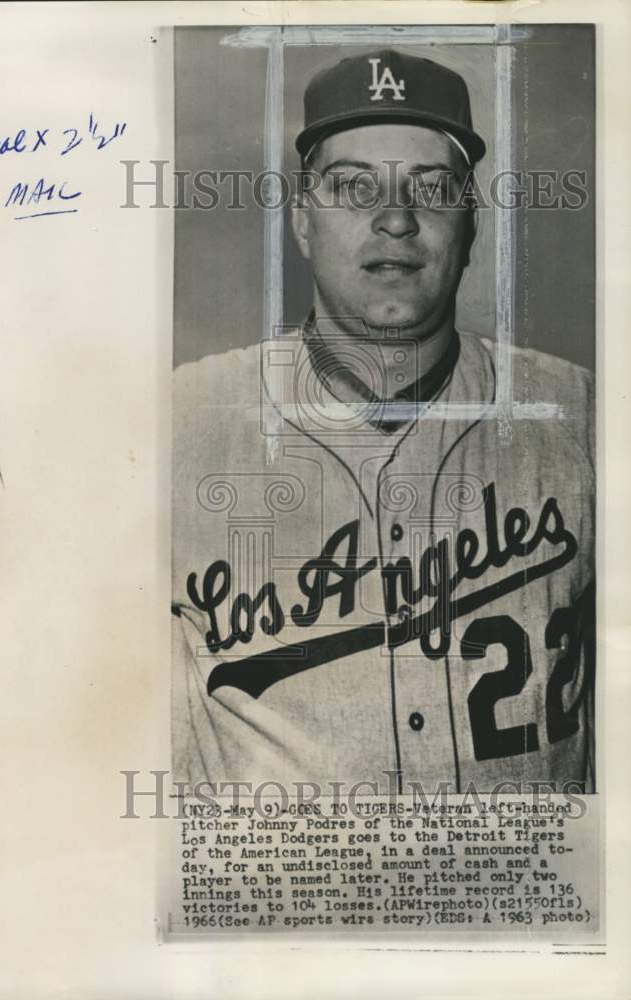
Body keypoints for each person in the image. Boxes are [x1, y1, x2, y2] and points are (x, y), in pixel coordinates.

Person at [172, 49, 595, 794]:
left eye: (431, 189)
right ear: (302, 220)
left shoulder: (584, 416)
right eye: (354, 187)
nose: (396, 218)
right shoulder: (176, 424)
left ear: (471, 225)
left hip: (524, 902)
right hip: (284, 903)